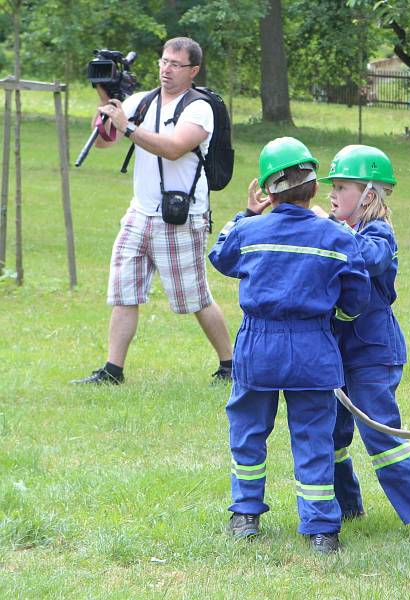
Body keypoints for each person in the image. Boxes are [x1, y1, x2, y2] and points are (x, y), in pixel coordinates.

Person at [208, 137, 370, 554]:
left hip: (257, 346)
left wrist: (247, 212)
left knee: (247, 430)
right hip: (313, 346)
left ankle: (245, 514)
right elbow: (356, 295)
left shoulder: (249, 230)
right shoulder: (335, 236)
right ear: (314, 189)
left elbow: (220, 256)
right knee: (314, 434)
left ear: (268, 191)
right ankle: (321, 529)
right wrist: (337, 318)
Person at [313, 144, 410, 544]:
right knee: (333, 433)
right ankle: (347, 505)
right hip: (337, 350)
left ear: (369, 195)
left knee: (380, 433)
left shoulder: (379, 234)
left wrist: (328, 229)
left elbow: (367, 258)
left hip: (375, 352)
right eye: (333, 186)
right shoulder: (340, 229)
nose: (331, 194)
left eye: (341, 187)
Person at [72, 37, 232, 385]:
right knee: (124, 290)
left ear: (193, 70)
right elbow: (103, 140)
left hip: (181, 215)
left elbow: (173, 148)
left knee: (196, 296)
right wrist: (106, 100)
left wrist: (127, 125)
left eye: (175, 64)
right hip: (139, 213)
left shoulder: (199, 107)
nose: (166, 69)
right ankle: (113, 370)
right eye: (163, 62)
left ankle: (230, 364)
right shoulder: (141, 101)